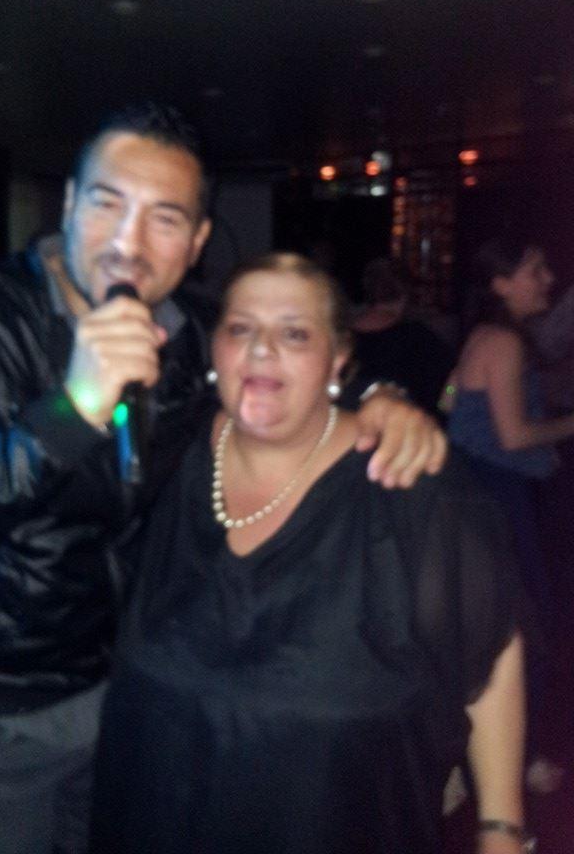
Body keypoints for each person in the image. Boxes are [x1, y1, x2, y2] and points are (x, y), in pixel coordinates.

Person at [0, 105, 446, 854]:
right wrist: (72, 409)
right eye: (108, 204)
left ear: (197, 242)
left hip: (132, 694)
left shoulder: (192, 333)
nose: (128, 244)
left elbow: (281, 367)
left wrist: (376, 396)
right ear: (69, 206)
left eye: (165, 219)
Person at [92, 252, 527, 854]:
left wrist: (501, 828)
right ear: (215, 351)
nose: (261, 349)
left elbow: (489, 646)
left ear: (338, 358)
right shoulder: (164, 458)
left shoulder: (409, 482)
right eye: (240, 329)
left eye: (294, 333)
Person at [446, 235, 574, 795]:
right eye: (535, 269)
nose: (548, 279)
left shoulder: (482, 336)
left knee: (491, 630)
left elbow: (449, 404)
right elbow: (515, 434)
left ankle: (478, 762)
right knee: (526, 628)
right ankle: (517, 762)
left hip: (475, 494)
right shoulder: (502, 341)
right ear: (501, 284)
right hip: (496, 499)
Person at [351, 257, 454, 416]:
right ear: (405, 292)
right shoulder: (418, 338)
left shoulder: (342, 337)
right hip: (407, 425)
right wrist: (444, 405)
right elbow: (450, 384)